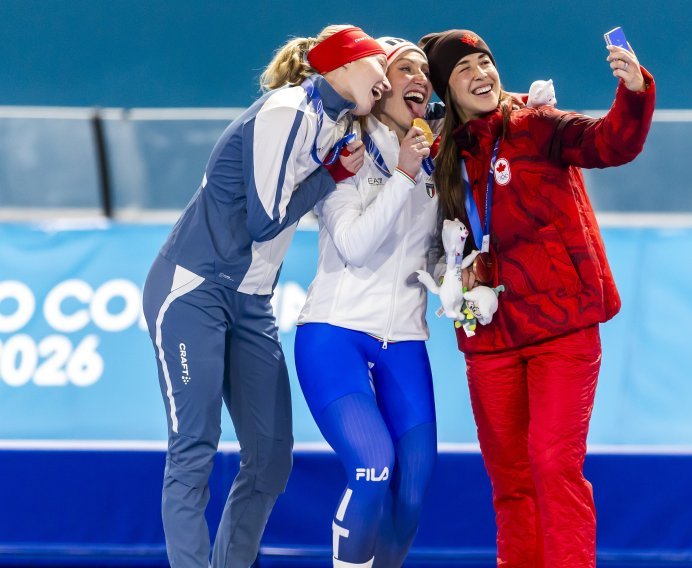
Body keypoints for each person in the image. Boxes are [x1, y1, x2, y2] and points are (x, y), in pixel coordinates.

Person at [141, 25, 390, 568]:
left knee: (272, 457)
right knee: (194, 446)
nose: (388, 80)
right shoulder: (287, 111)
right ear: (346, 63)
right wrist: (328, 176)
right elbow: (264, 220)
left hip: (252, 301)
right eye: (381, 64)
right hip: (194, 289)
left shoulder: (338, 121)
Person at [420, 29, 656, 567]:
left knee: (553, 464)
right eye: (464, 69)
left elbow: (609, 143)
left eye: (485, 61)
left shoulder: (536, 124)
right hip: (490, 336)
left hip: (561, 327)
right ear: (447, 90)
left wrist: (633, 92)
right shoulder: (439, 153)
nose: (481, 74)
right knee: (511, 479)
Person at [294, 37, 439, 568]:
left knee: (413, 491)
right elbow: (355, 247)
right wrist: (403, 173)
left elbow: (428, 254)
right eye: (406, 69)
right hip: (335, 333)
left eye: (425, 71)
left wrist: (456, 273)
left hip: (405, 340)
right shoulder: (345, 148)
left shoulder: (434, 162)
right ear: (379, 87)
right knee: (373, 467)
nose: (420, 79)